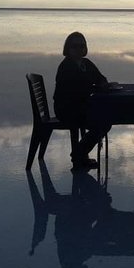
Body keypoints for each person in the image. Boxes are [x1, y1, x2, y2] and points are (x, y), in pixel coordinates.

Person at [54, 31, 111, 170]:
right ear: (68, 48)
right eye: (75, 46)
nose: (79, 49)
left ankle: (80, 154)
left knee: (105, 121)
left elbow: (100, 78)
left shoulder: (86, 63)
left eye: (81, 46)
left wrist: (102, 84)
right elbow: (74, 90)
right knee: (101, 124)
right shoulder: (66, 66)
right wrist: (92, 88)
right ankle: (79, 155)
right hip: (67, 109)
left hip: (82, 107)